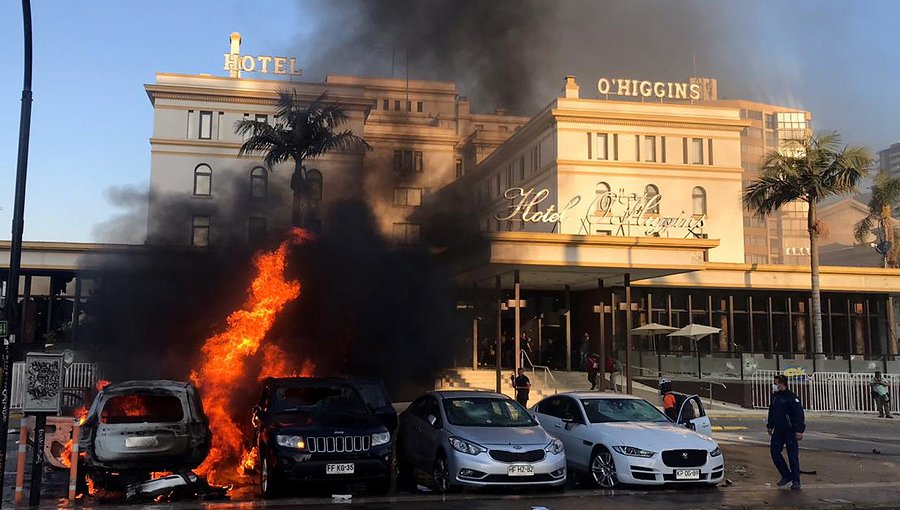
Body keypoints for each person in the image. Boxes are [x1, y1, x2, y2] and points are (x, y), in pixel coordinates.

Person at [767, 374, 805, 490]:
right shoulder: (775, 397)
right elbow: (772, 411)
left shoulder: (791, 397)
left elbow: (799, 414)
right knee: (774, 452)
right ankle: (786, 475)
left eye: (776, 383)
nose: (774, 385)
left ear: (781, 383)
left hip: (790, 430)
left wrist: (799, 430)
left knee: (792, 456)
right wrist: (770, 425)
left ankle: (796, 481)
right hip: (778, 430)